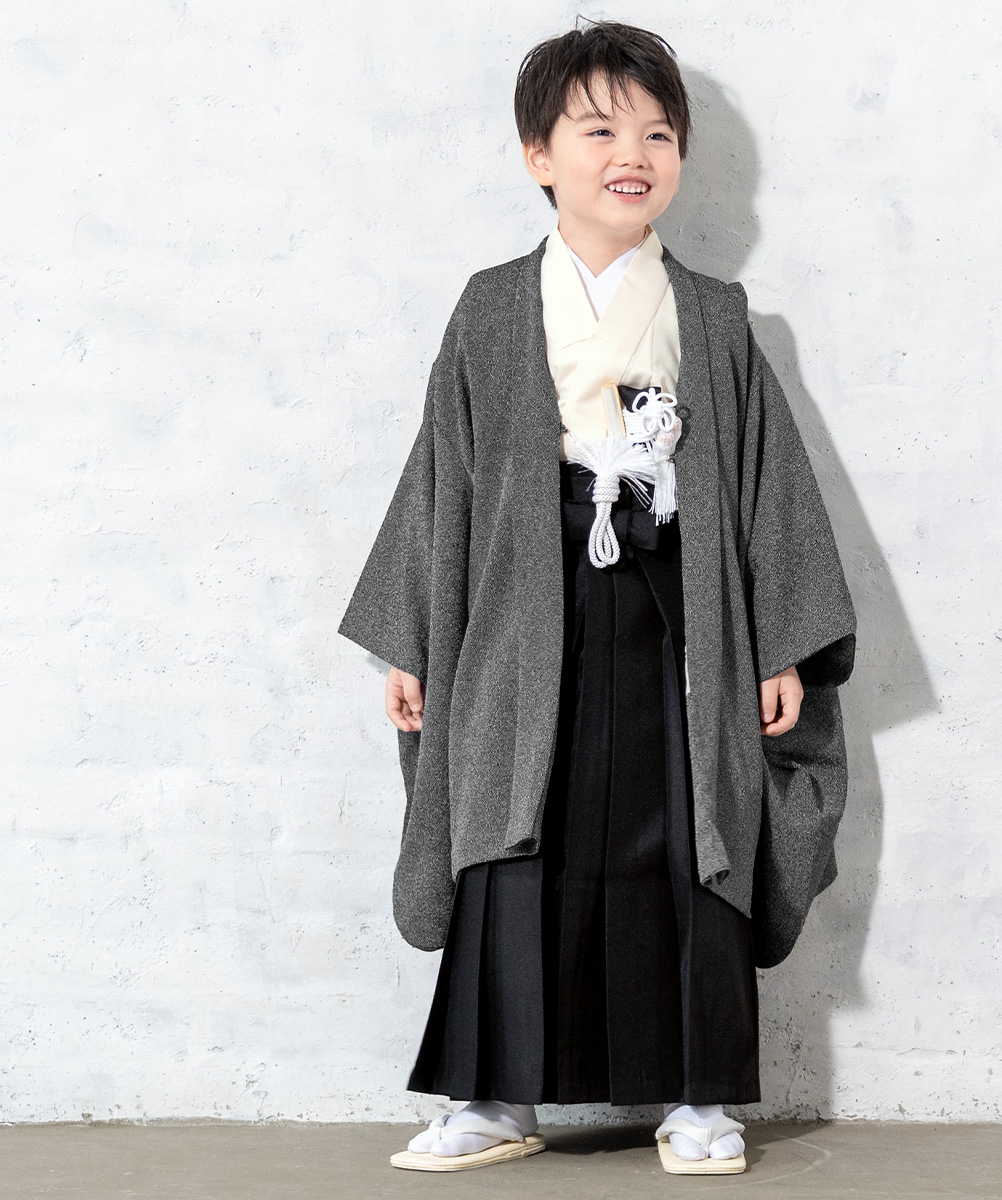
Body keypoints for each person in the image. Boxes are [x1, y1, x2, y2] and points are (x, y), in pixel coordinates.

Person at [338, 19, 856, 1177]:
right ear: (539, 155)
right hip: (524, 606)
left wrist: (779, 644)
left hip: (684, 607)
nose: (633, 155)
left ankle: (698, 1096)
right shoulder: (489, 308)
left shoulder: (712, 313)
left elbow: (765, 482)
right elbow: (442, 477)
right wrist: (412, 640)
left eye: (658, 134)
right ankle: (493, 1097)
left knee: (691, 831)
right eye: (599, 131)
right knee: (516, 824)